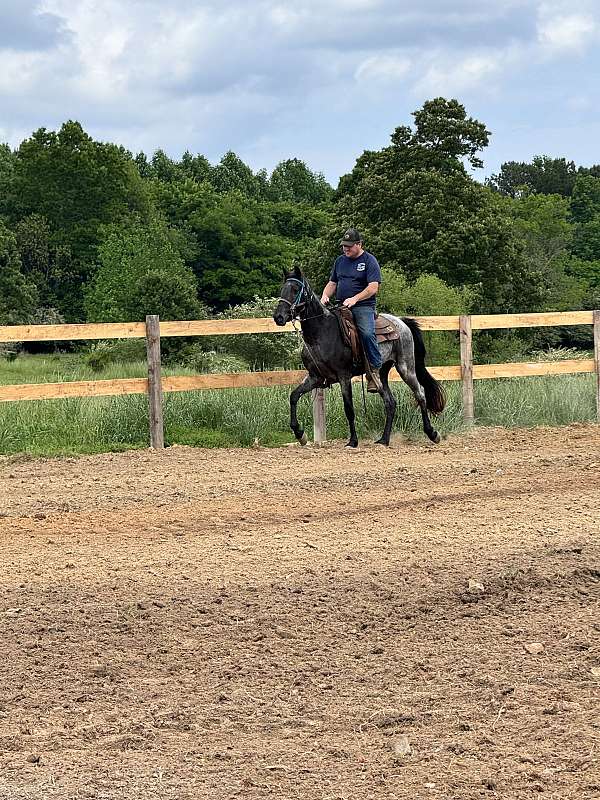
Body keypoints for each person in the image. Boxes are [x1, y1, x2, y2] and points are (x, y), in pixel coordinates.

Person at [320, 228, 383, 392]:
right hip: (341, 305)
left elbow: (373, 287)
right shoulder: (339, 261)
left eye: (349, 246)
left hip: (363, 306)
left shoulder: (369, 261)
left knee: (367, 333)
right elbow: (332, 283)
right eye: (344, 246)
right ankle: (325, 369)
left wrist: (355, 299)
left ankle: (374, 372)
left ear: (359, 244)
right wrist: (325, 295)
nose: (345, 249)